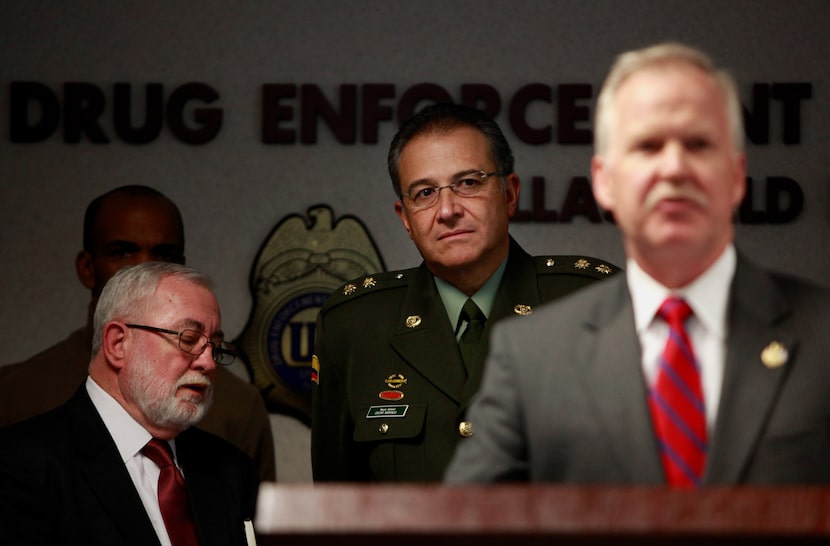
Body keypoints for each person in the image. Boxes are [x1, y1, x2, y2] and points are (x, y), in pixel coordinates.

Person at [445, 42, 830, 485]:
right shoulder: (530, 358)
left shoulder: (821, 335)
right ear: (604, 182)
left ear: (737, 176)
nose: (673, 168)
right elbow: (468, 523)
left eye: (699, 144)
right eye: (647, 146)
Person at [311, 102, 620, 482]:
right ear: (405, 218)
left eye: (468, 183)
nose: (447, 210)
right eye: (424, 193)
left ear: (509, 193)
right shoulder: (354, 326)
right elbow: (335, 510)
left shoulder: (593, 303)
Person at [0, 185, 276, 482]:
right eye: (122, 252)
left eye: (164, 255)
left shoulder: (237, 405)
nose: (145, 266)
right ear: (87, 268)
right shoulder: (15, 394)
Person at [0, 262, 259, 545]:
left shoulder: (232, 470)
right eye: (188, 339)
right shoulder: (20, 464)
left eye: (215, 347)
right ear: (117, 343)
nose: (208, 363)